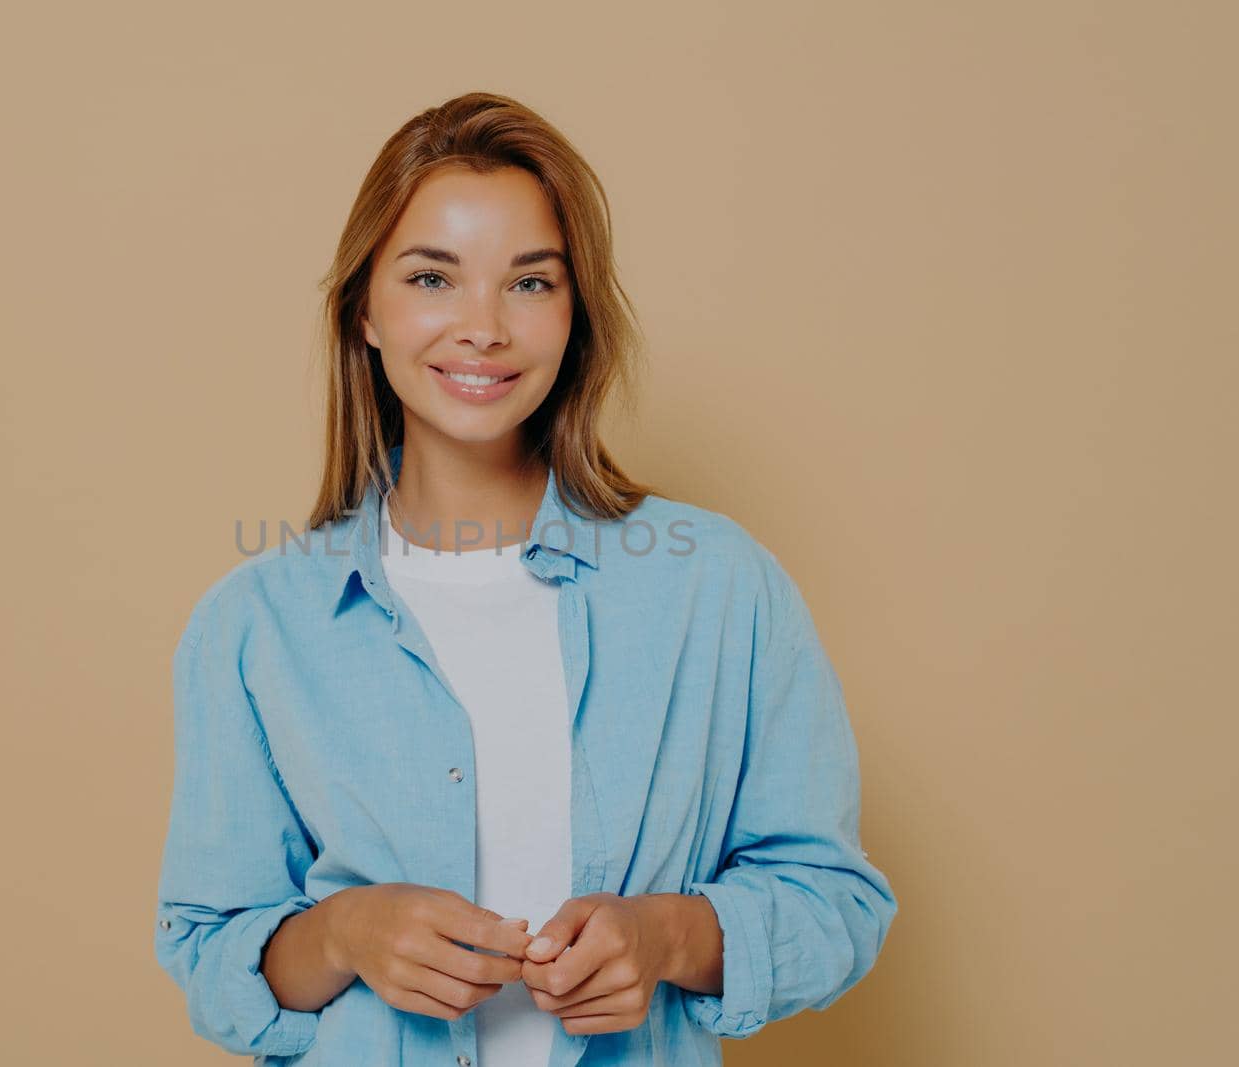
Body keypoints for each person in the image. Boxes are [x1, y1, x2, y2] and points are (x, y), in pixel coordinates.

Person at [153, 91, 897, 1067]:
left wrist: (665, 935)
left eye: (530, 283)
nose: (482, 327)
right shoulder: (254, 625)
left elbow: (835, 902)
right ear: (365, 313)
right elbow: (210, 947)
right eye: (432, 277)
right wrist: (342, 931)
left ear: (576, 315)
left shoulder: (716, 586)